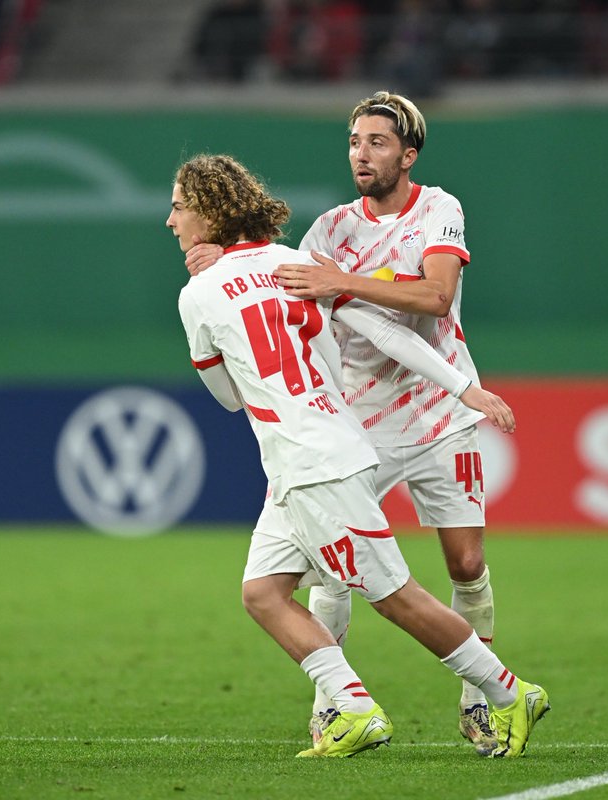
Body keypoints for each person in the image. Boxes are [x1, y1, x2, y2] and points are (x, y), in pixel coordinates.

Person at [169, 153, 548, 759]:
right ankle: (351, 706)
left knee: (396, 597)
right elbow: (384, 331)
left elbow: (228, 399)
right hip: (324, 452)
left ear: (208, 215)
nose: (171, 221)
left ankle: (509, 693)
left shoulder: (199, 293)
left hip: (316, 464)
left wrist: (222, 323)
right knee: (264, 592)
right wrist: (462, 385)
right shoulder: (298, 263)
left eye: (179, 206)